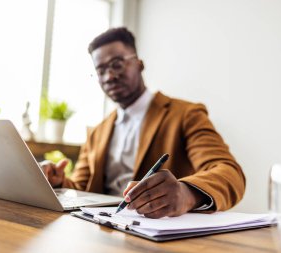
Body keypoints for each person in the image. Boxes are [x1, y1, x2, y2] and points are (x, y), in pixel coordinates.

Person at [41, 27, 245, 218]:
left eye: (117, 64)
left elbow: (229, 172)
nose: (109, 76)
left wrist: (187, 193)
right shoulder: (97, 132)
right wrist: (59, 182)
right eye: (101, 70)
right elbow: (82, 188)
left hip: (156, 231)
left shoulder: (185, 114)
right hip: (103, 228)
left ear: (139, 63)